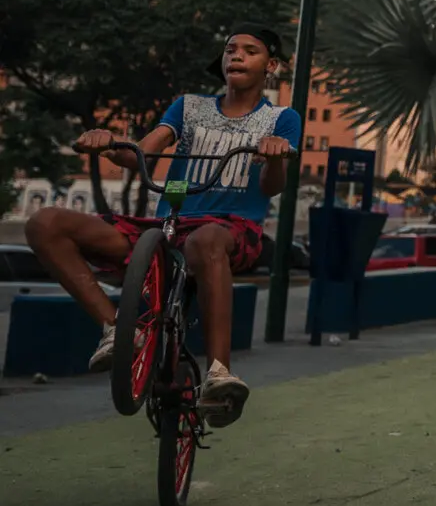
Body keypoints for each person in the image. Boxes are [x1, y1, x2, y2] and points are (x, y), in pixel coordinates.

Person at [26, 25, 300, 428]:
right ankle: (117, 332)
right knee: (44, 222)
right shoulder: (188, 107)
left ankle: (219, 372)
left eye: (249, 51)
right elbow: (142, 153)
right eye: (230, 50)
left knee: (206, 241)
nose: (236, 57)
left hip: (231, 230)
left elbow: (271, 187)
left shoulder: (281, 118)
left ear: (270, 66)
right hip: (168, 222)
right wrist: (109, 142)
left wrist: (275, 156)